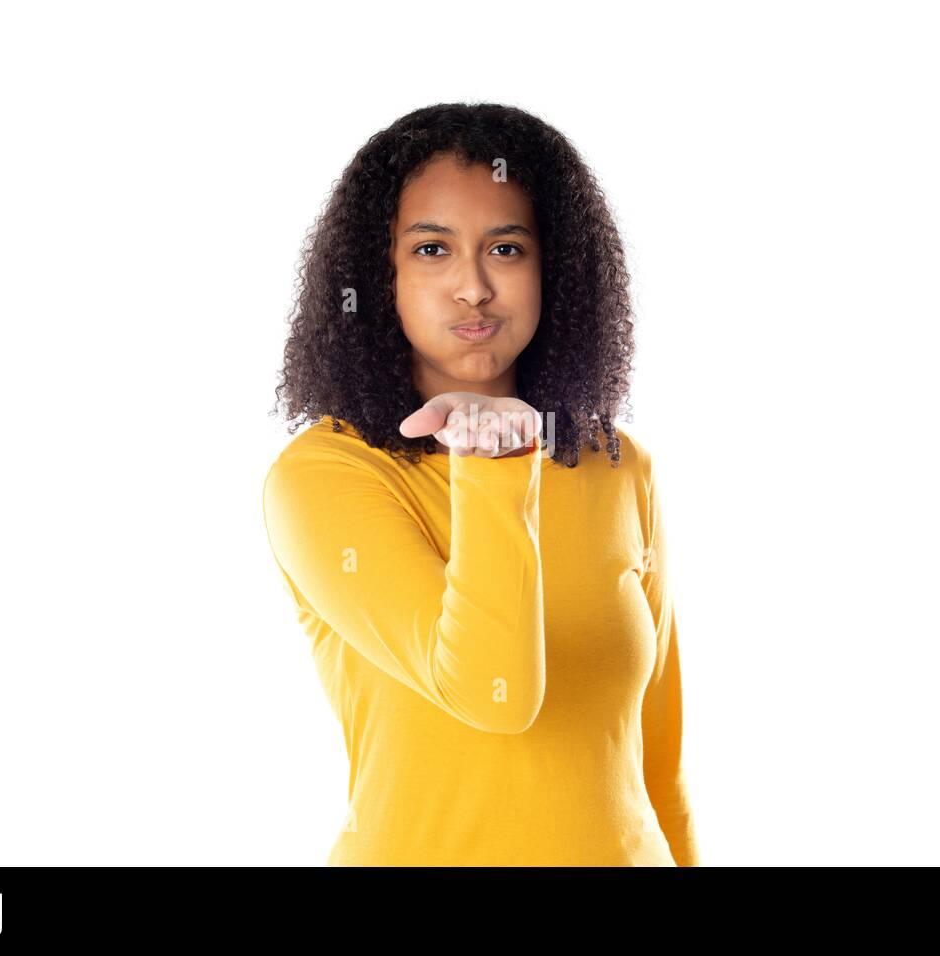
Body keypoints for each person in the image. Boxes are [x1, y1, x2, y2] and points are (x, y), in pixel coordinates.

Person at [262, 102, 699, 866]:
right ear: (381, 274)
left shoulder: (617, 463)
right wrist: (493, 464)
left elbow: (657, 763)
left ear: (551, 269)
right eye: (432, 249)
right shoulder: (323, 477)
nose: (473, 287)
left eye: (506, 248)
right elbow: (491, 693)